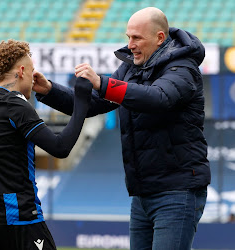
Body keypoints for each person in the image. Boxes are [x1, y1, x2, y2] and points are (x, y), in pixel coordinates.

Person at [34, 7, 211, 250]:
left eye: (137, 38)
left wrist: (103, 83)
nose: (130, 45)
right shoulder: (131, 68)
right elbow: (93, 104)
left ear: (160, 38)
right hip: (142, 194)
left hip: (177, 191)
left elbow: (159, 97)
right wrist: (48, 90)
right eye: (128, 37)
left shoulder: (183, 67)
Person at [0, 39, 93, 250]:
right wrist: (81, 102)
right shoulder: (14, 103)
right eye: (32, 72)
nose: (34, 81)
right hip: (22, 218)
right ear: (22, 71)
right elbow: (60, 147)